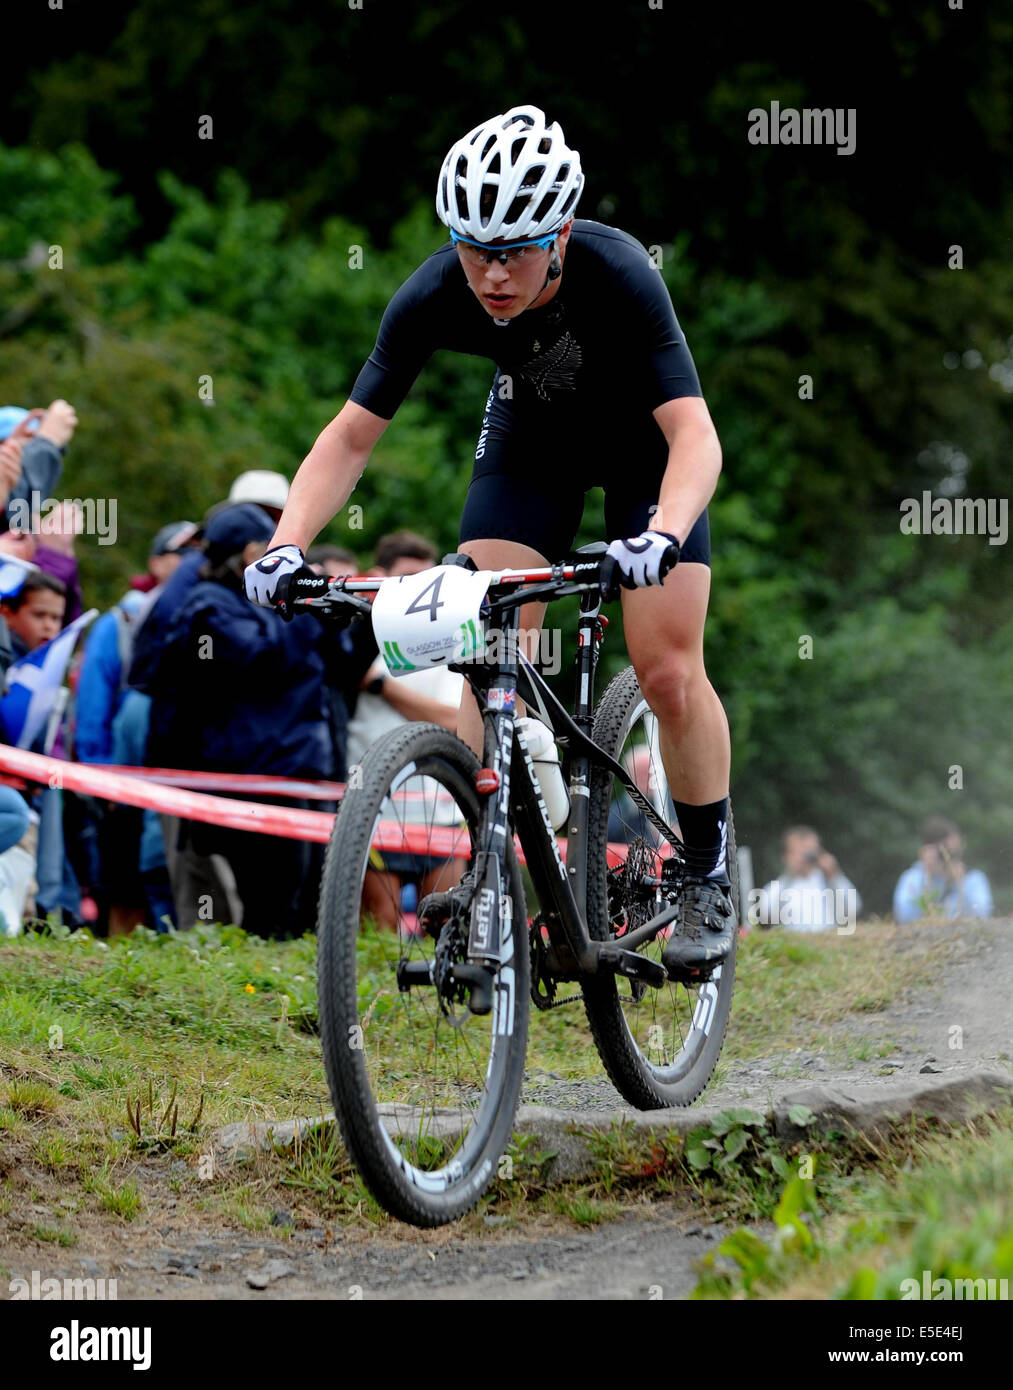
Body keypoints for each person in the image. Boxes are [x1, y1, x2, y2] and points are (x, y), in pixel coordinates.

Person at [245, 105, 733, 972]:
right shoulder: (437, 287)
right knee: (486, 627)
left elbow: (696, 436)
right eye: (474, 249)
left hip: (644, 455)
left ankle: (704, 871)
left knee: (664, 665)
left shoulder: (619, 272)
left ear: (562, 233)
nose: (491, 274)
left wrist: (660, 532)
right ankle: (489, 868)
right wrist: (285, 544)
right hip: (531, 446)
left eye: (513, 251)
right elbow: (350, 436)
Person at [148, 504, 348, 937]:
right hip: (249, 777)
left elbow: (343, 662)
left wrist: (332, 605)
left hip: (301, 771)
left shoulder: (270, 608)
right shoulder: (207, 605)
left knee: (303, 899)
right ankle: (255, 991)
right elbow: (258, 661)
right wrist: (303, 608)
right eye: (271, 550)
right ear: (249, 553)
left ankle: (282, 988)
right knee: (266, 905)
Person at [345, 531, 469, 928]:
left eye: (426, 580)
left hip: (440, 809)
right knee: (381, 927)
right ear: (380, 576)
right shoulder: (356, 636)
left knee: (447, 924)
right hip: (373, 808)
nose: (418, 590)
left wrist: (383, 686)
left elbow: (455, 718)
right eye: (407, 578)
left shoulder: (445, 640)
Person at [753, 825, 861, 933]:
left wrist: (834, 875)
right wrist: (790, 875)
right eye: (797, 852)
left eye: (809, 851)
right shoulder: (780, 885)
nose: (804, 857)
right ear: (786, 856)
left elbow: (854, 907)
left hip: (829, 942)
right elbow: (765, 912)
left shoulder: (828, 880)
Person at [893, 817, 993, 923]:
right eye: (944, 852)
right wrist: (928, 878)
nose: (947, 858)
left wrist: (958, 884)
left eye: (952, 853)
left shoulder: (973, 879)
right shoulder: (913, 878)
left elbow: (983, 915)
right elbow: (904, 916)